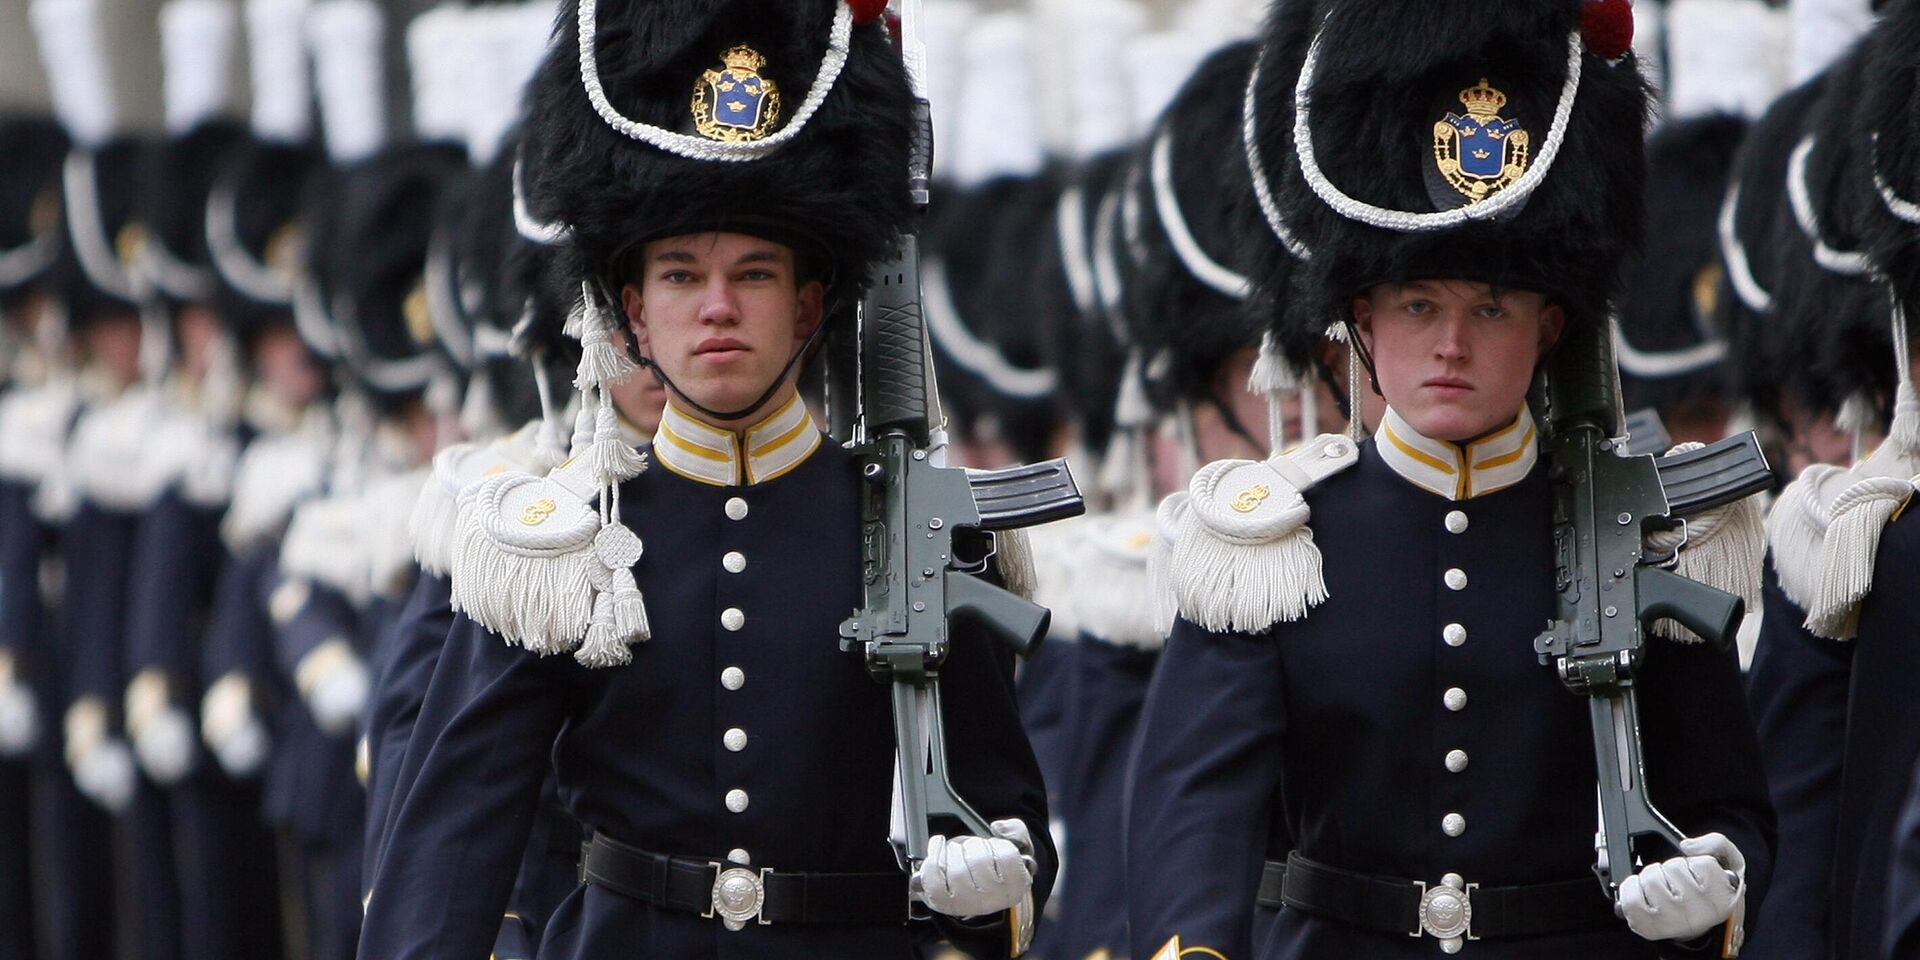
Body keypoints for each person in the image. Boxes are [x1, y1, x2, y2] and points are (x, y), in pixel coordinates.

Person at [358, 1, 1055, 956]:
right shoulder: (561, 545)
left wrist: (994, 881)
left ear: (811, 305)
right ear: (634, 316)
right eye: (681, 276)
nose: (718, 308)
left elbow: (1007, 828)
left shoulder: (923, 528)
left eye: (755, 274)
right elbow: (451, 840)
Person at [1127, 1, 1775, 957]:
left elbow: (1729, 797)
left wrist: (1714, 880)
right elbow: (1196, 813)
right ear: (1362, 322)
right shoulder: (1268, 545)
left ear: (1550, 329)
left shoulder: (1648, 534)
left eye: (1494, 309)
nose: (1451, 345)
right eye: (1418, 302)